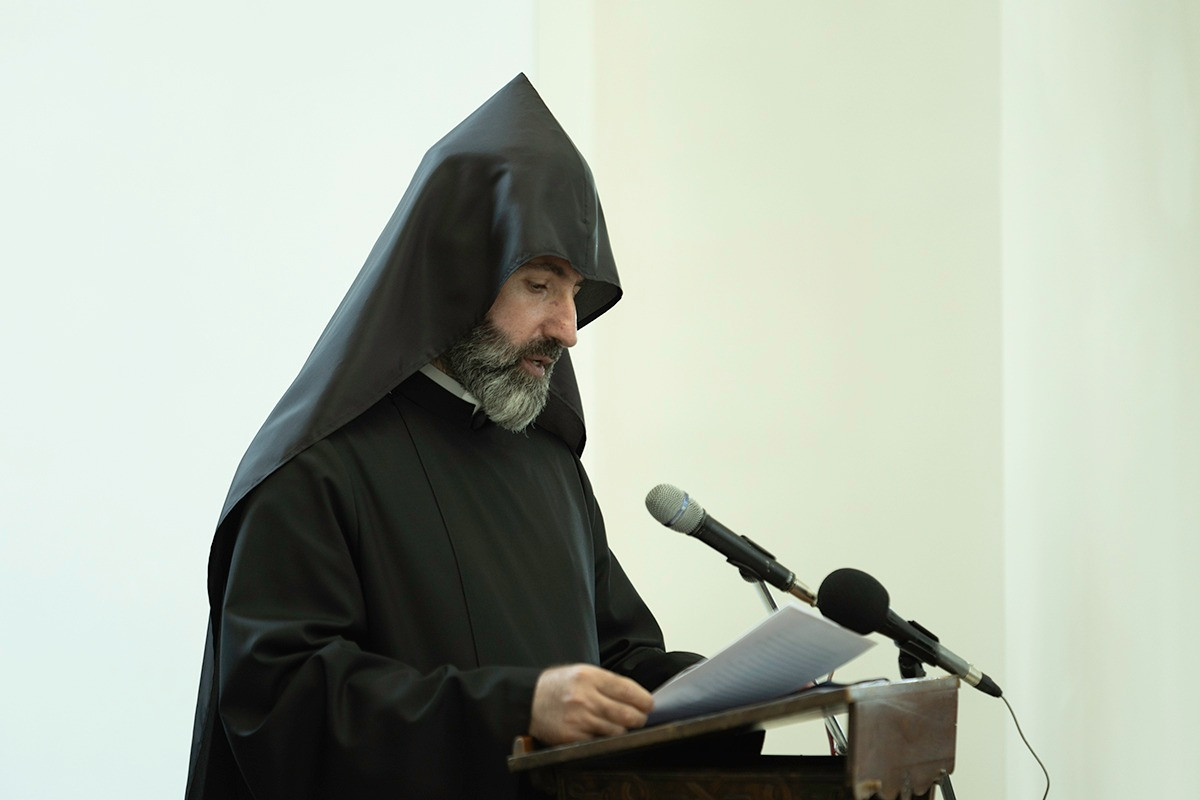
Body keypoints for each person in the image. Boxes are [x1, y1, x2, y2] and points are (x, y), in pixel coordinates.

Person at [185, 74, 701, 800]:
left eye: (574, 293)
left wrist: (724, 690)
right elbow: (283, 703)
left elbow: (616, 662)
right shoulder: (319, 469)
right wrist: (516, 712)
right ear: (458, 272)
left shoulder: (551, 468)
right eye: (540, 285)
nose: (568, 329)